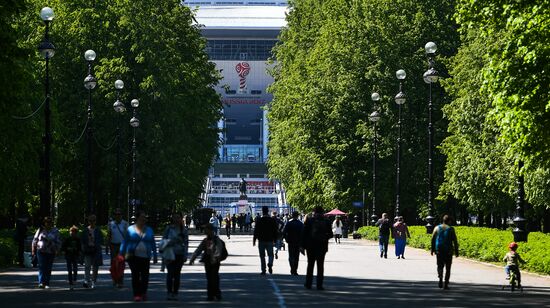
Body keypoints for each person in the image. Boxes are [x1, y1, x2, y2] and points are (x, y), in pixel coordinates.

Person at [120, 210, 158, 302]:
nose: (144, 219)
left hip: (146, 256)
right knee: (135, 275)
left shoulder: (149, 230)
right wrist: (121, 254)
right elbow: (125, 242)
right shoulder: (130, 229)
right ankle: (137, 294)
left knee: (145, 276)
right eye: (142, 217)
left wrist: (155, 254)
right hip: (133, 256)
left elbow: (152, 242)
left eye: (145, 217)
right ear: (137, 218)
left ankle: (143, 292)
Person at [189, 223, 228, 301]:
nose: (204, 231)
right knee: (209, 278)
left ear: (210, 230)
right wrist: (193, 258)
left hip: (215, 262)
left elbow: (219, 250)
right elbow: (199, 249)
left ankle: (216, 293)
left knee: (214, 277)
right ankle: (210, 294)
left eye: (206, 229)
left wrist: (216, 258)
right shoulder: (205, 240)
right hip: (207, 261)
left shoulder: (217, 240)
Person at [301, 206, 333, 290]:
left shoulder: (310, 220)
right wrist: (324, 238)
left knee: (310, 265)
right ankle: (319, 285)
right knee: (320, 265)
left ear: (314, 212)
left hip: (310, 246)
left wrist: (303, 246)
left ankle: (308, 283)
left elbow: (304, 233)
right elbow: (331, 234)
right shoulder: (326, 221)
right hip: (322, 246)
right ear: (322, 212)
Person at [162, 212, 189, 301]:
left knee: (177, 274)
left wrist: (185, 255)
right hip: (170, 254)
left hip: (179, 254)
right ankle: (169, 292)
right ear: (172, 218)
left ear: (181, 219)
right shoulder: (168, 229)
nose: (177, 219)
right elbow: (163, 241)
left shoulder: (183, 230)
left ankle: (175, 292)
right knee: (170, 274)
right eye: (175, 217)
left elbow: (186, 243)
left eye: (178, 218)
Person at [32, 216, 61, 289]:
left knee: (48, 268)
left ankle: (47, 283)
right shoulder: (40, 230)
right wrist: (33, 250)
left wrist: (58, 250)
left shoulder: (55, 231)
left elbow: (58, 241)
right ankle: (41, 282)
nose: (48, 223)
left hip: (51, 251)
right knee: (42, 267)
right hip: (41, 251)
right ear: (44, 223)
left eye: (50, 222)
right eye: (47, 222)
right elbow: (35, 240)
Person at [431, 215, 459, 290]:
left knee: (440, 265)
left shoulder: (437, 228)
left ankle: (440, 278)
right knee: (448, 267)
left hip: (439, 250)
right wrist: (456, 251)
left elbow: (433, 239)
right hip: (448, 251)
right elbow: (455, 241)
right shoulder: (451, 229)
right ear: (449, 221)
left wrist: (432, 249)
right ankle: (446, 284)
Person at [253, 206, 278, 275]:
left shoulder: (259, 220)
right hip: (270, 240)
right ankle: (270, 264)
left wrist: (254, 240)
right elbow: (275, 230)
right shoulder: (272, 220)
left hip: (261, 240)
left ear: (262, 211)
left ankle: (263, 269)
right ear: (268, 211)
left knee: (262, 256)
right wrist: (275, 239)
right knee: (271, 254)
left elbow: (256, 231)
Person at [81, 214, 104, 289]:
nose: (92, 222)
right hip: (87, 250)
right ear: (88, 221)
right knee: (87, 266)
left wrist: (97, 245)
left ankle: (94, 282)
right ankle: (86, 281)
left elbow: (101, 240)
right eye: (90, 220)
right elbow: (82, 241)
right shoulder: (85, 230)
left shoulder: (98, 230)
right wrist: (83, 249)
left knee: (95, 267)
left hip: (96, 250)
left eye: (93, 220)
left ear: (95, 221)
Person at [107, 208, 128, 288]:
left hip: (122, 246)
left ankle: (120, 281)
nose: (118, 216)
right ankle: (115, 280)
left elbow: (127, 235)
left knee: (121, 264)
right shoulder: (111, 224)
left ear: (121, 215)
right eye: (116, 214)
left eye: (119, 214)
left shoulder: (125, 223)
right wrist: (107, 245)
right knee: (113, 264)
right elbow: (109, 235)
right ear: (114, 215)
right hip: (113, 245)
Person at [282, 211, 304, 275]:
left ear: (292, 215)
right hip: (298, 242)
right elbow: (303, 233)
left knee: (291, 256)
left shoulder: (289, 223)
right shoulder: (300, 223)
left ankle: (292, 268)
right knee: (296, 256)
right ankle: (295, 270)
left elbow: (284, 232)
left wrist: (286, 239)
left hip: (290, 242)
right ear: (297, 216)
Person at [61, 225, 81, 290]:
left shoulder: (78, 240)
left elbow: (80, 248)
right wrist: (67, 249)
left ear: (76, 233)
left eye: (74, 232)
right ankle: (70, 281)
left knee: (75, 268)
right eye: (71, 231)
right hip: (68, 255)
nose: (72, 233)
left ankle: (74, 279)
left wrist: (78, 251)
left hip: (75, 255)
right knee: (69, 269)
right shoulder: (67, 239)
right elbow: (63, 247)